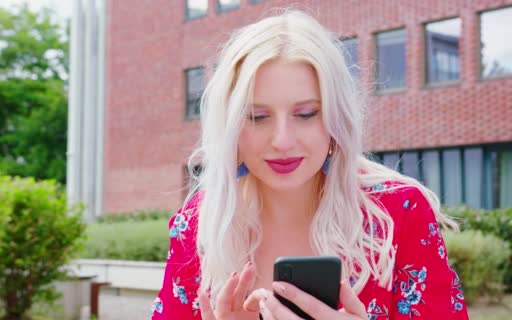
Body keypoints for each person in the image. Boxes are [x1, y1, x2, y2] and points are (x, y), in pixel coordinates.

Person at [151, 8, 469, 320]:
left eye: (306, 114)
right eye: (257, 117)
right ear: (231, 127)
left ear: (336, 117)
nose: (282, 140)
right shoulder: (200, 225)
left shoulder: (397, 215)